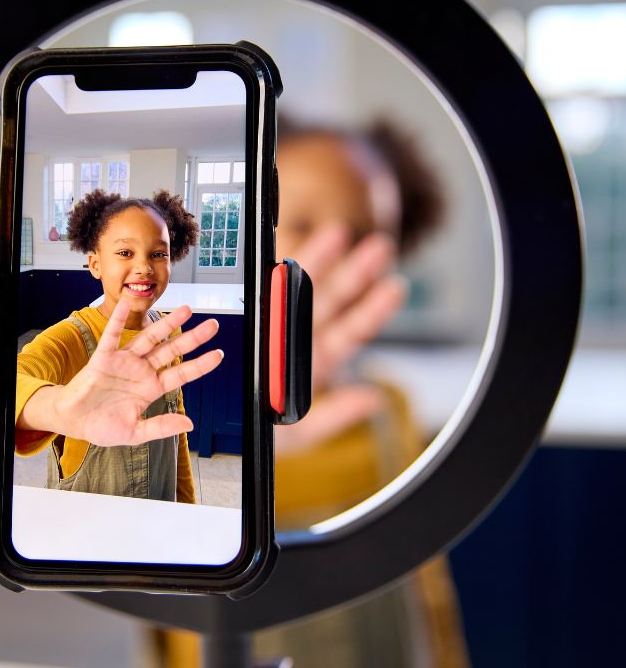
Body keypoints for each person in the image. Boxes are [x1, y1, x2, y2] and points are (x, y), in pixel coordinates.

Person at [155, 118, 470, 667]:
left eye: (367, 236)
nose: (334, 256)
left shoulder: (387, 408)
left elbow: (428, 594)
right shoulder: (183, 405)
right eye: (301, 223)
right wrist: (241, 448)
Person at [13, 189, 222, 503]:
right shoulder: (70, 338)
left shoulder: (169, 329)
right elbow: (9, 383)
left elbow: (174, 426)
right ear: (95, 264)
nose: (144, 267)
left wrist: (187, 507)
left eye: (158, 253)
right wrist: (62, 408)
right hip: (84, 526)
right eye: (125, 253)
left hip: (159, 512)